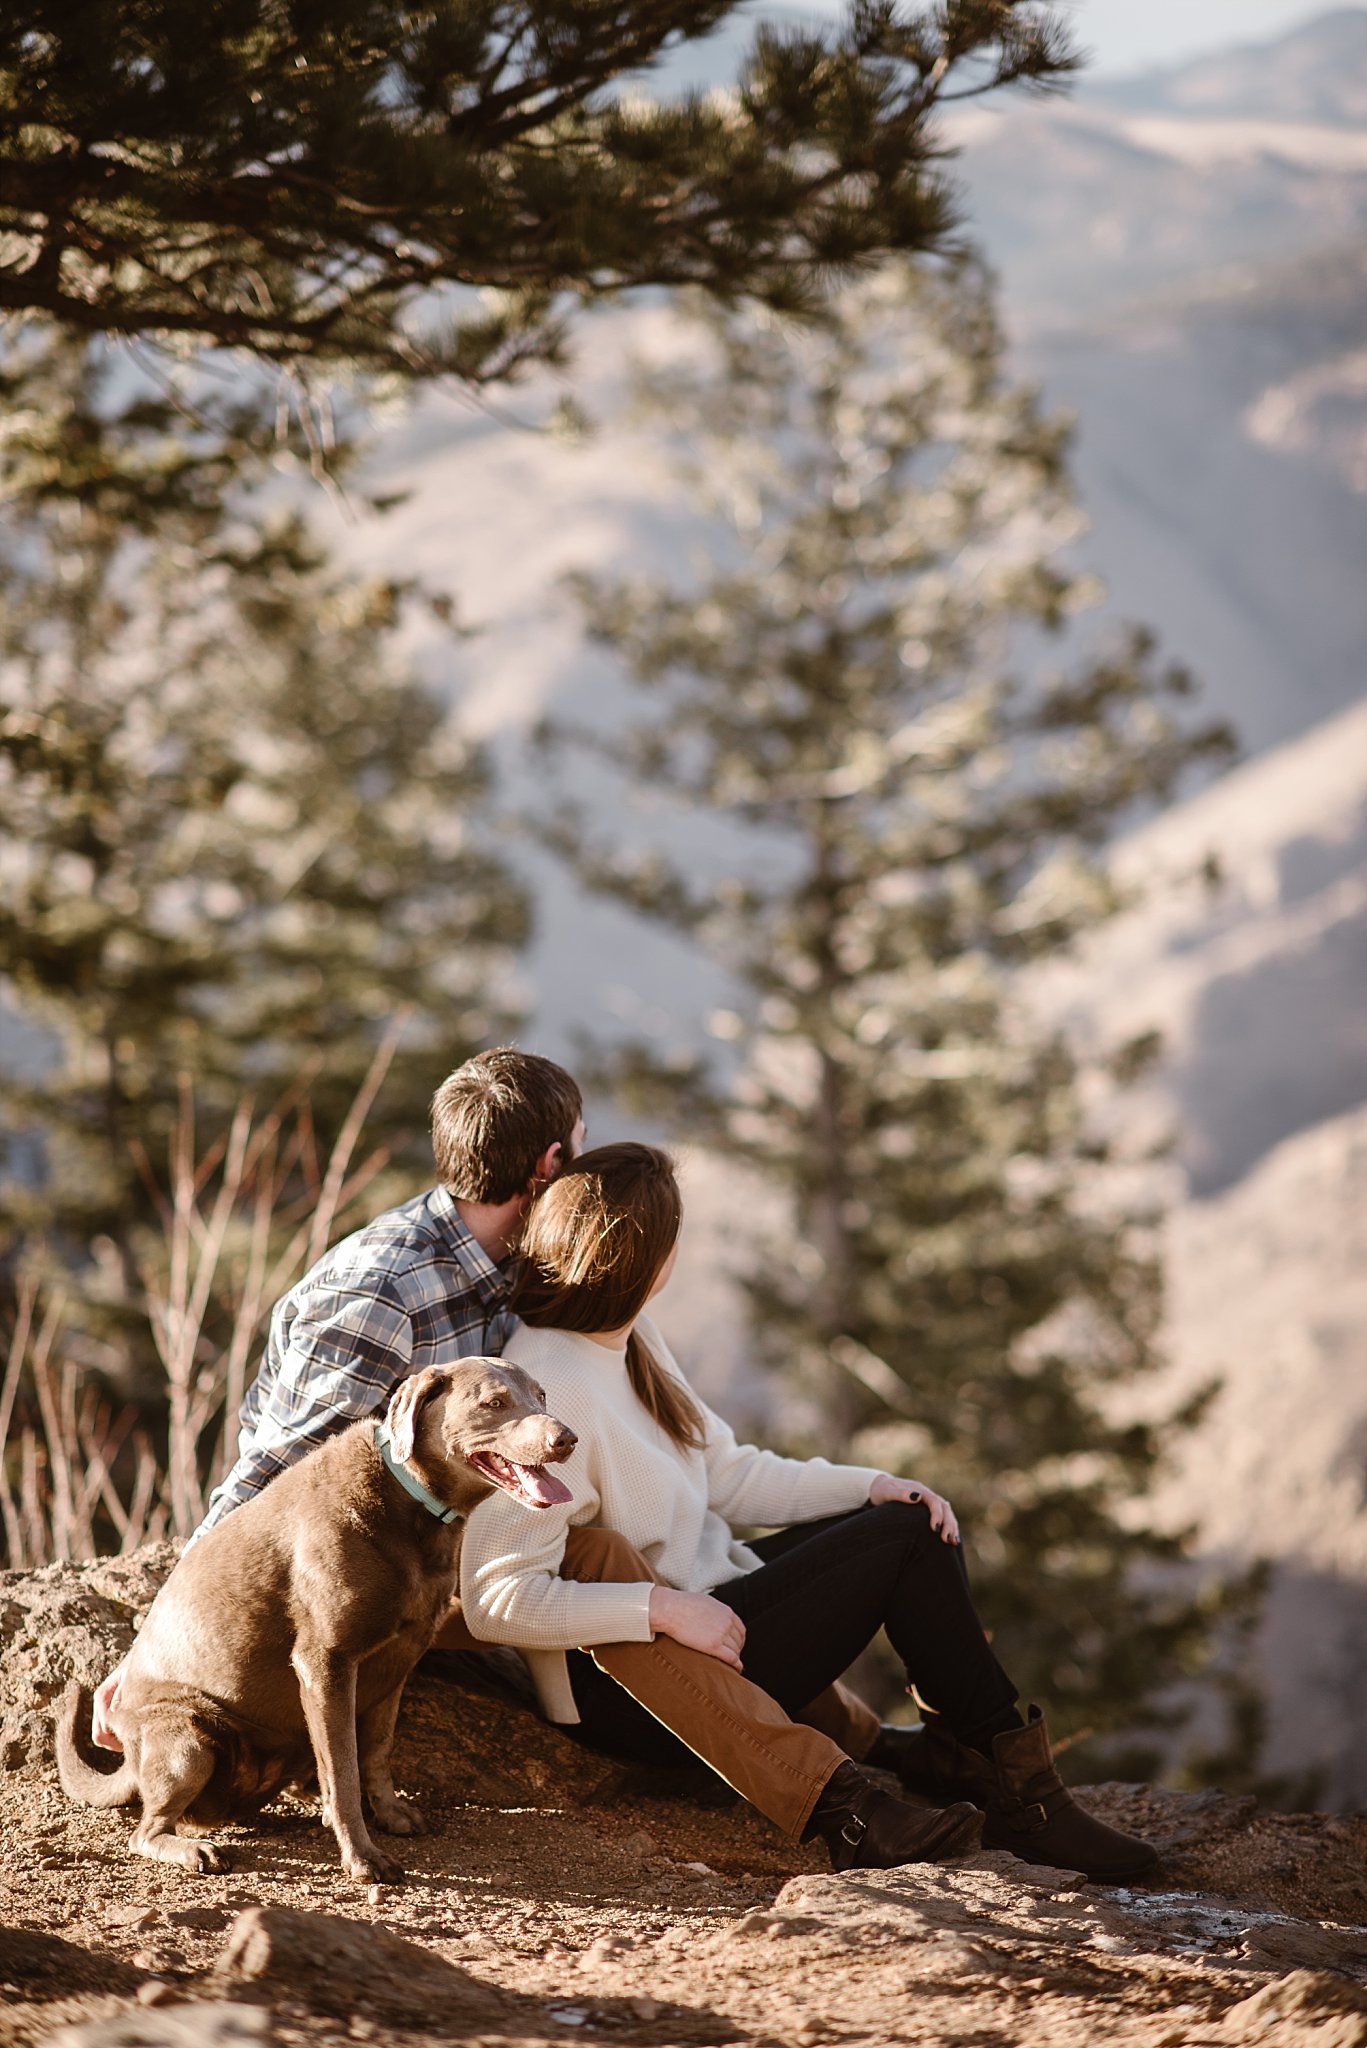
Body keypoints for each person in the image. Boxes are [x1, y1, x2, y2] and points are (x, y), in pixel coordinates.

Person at [460, 1141, 1159, 1881]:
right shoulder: (544, 1389)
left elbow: (725, 1473)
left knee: (907, 1518)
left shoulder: (629, 1338)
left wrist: (870, 1485)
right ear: (645, 1259)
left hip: (708, 1620)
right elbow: (495, 1600)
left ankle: (978, 1761)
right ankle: (1023, 1801)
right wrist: (658, 1610)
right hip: (639, 1695)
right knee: (903, 1543)